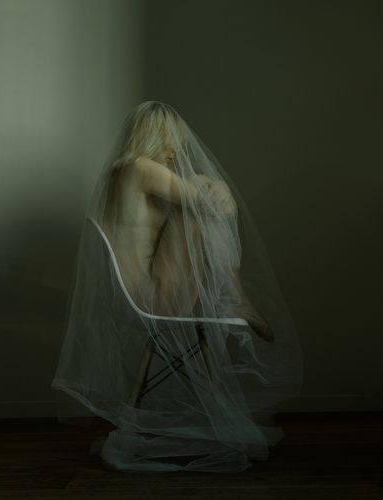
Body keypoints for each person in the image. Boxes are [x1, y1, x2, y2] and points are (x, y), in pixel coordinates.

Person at [51, 100, 303, 473]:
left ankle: (236, 298)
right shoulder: (141, 168)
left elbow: (202, 201)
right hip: (151, 298)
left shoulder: (123, 172)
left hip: (140, 295)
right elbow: (211, 207)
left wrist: (210, 189)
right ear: (153, 137)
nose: (175, 151)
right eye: (171, 142)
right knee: (197, 214)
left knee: (195, 208)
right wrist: (219, 188)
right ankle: (237, 299)